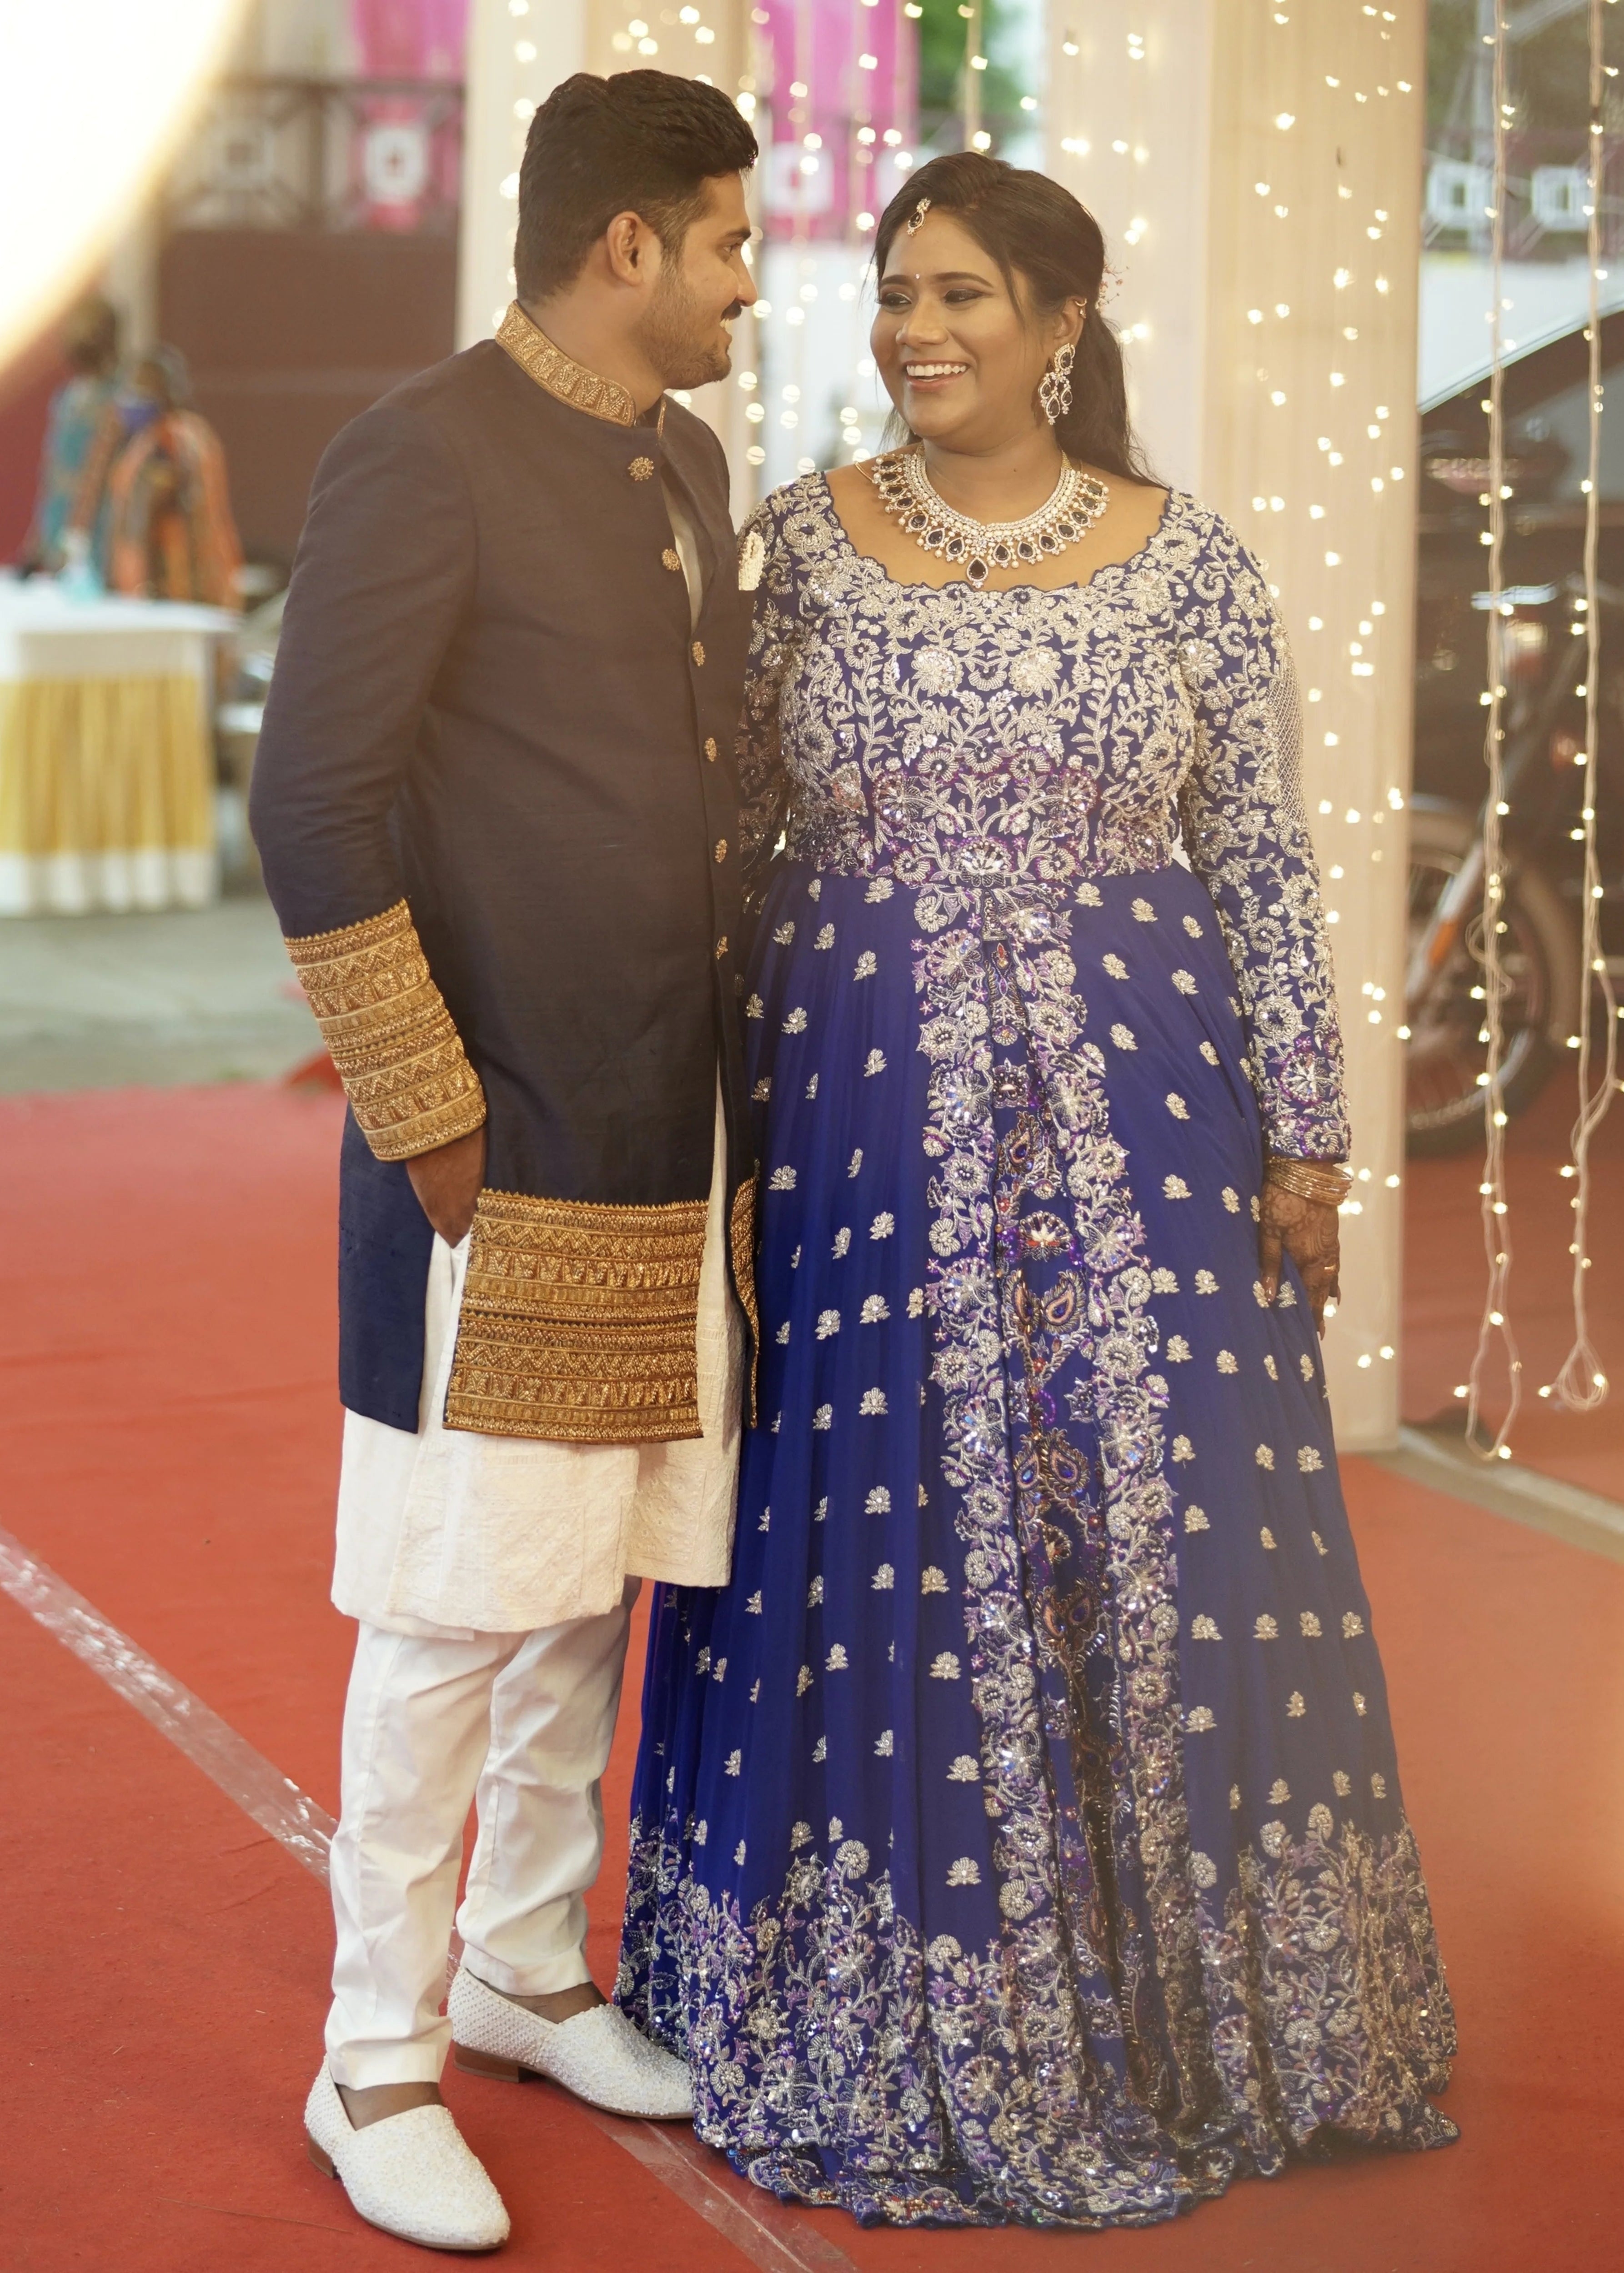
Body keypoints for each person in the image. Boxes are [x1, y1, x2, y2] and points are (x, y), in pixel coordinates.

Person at [619, 151, 1458, 2228]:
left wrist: (1309, 1134)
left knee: (1146, 1538)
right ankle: (892, 2005)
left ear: (1062, 323)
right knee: (884, 1552)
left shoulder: (1194, 568)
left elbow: (1261, 861)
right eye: (899, 292)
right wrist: (708, 1142)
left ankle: (1189, 2017)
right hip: (857, 1140)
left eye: (964, 295)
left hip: (1152, 1146)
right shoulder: (796, 552)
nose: (918, 330)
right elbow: (723, 860)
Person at [249, 71, 760, 2253]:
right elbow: (312, 803)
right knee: (460, 1601)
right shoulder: (424, 452)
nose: (753, 279)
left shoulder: (687, 462)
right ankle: (373, 2060)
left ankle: (525, 1970)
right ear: (625, 244)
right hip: (504, 1140)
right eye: (729, 240)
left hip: (668, 1130)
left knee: (595, 1581)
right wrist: (428, 1113)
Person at [66, 345, 242, 606]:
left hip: (173, 592)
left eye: (141, 389)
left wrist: (140, 588)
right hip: (203, 586)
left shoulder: (168, 440)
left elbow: (146, 507)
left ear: (166, 392)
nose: (131, 398)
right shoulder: (189, 433)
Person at [19, 294, 121, 576]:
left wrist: (79, 533)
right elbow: (52, 471)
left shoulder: (116, 397)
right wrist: (37, 538)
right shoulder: (66, 397)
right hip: (57, 516)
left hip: (97, 524)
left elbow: (99, 471)